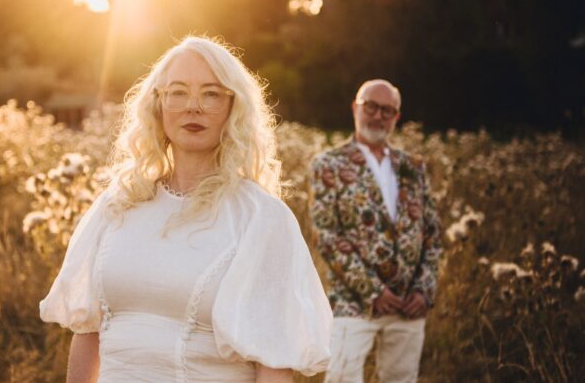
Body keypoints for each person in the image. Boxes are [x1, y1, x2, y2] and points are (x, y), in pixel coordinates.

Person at [40, 36, 332, 382]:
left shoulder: (260, 218)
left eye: (211, 94)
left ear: (232, 108)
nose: (193, 106)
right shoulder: (119, 203)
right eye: (178, 92)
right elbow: (87, 331)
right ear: (158, 104)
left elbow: (271, 362)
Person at [308, 79, 442, 383]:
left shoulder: (413, 167)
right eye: (371, 106)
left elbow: (432, 236)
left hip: (409, 305)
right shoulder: (328, 164)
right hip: (354, 301)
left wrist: (424, 289)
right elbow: (327, 237)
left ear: (396, 117)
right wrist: (373, 291)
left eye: (387, 110)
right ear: (355, 108)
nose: (377, 115)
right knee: (341, 377)